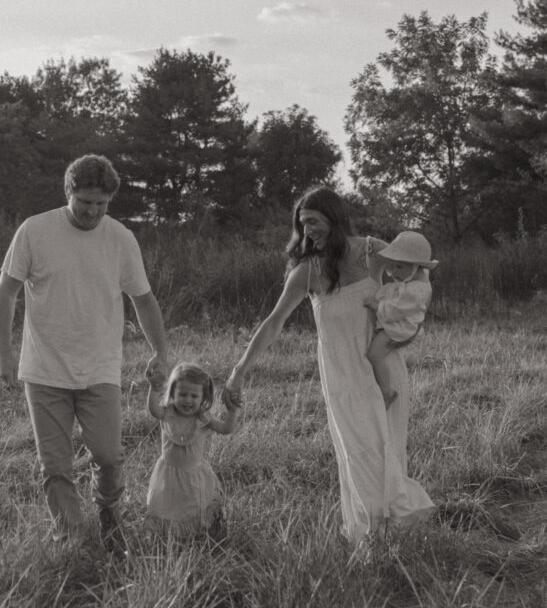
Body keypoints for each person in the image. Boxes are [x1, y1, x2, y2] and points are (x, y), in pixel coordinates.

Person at [224, 187, 434, 549]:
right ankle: (369, 541)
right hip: (342, 376)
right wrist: (239, 370)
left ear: (334, 218)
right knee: (360, 455)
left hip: (383, 368)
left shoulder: (372, 251)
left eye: (313, 221)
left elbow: (418, 273)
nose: (307, 231)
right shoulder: (306, 271)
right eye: (302, 224)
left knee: (389, 451)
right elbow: (274, 323)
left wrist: (406, 324)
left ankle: (392, 539)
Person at [0, 153, 168, 552]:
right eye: (84, 202)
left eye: (101, 204)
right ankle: (70, 537)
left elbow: (143, 299)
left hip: (100, 368)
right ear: (68, 192)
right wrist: (4, 352)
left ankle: (108, 511)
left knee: (108, 455)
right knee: (55, 465)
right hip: (44, 368)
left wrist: (160, 351)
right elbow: (6, 292)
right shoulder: (35, 231)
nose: (91, 211)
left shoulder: (120, 238)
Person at [145, 361, 238, 539]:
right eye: (182, 394)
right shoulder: (167, 413)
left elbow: (226, 429)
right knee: (169, 506)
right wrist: (154, 388)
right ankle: (171, 537)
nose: (188, 400)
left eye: (194, 396)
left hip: (194, 475)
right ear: (172, 392)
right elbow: (153, 410)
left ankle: (195, 535)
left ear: (203, 397)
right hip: (169, 475)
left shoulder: (203, 417)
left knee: (194, 506)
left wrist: (233, 412)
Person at [364, 231, 437, 409]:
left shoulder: (416, 290)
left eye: (399, 267)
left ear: (416, 267)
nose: (393, 272)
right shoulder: (414, 281)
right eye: (393, 266)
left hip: (399, 328)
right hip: (400, 323)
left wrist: (377, 306)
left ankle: (387, 392)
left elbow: (396, 310)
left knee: (374, 355)